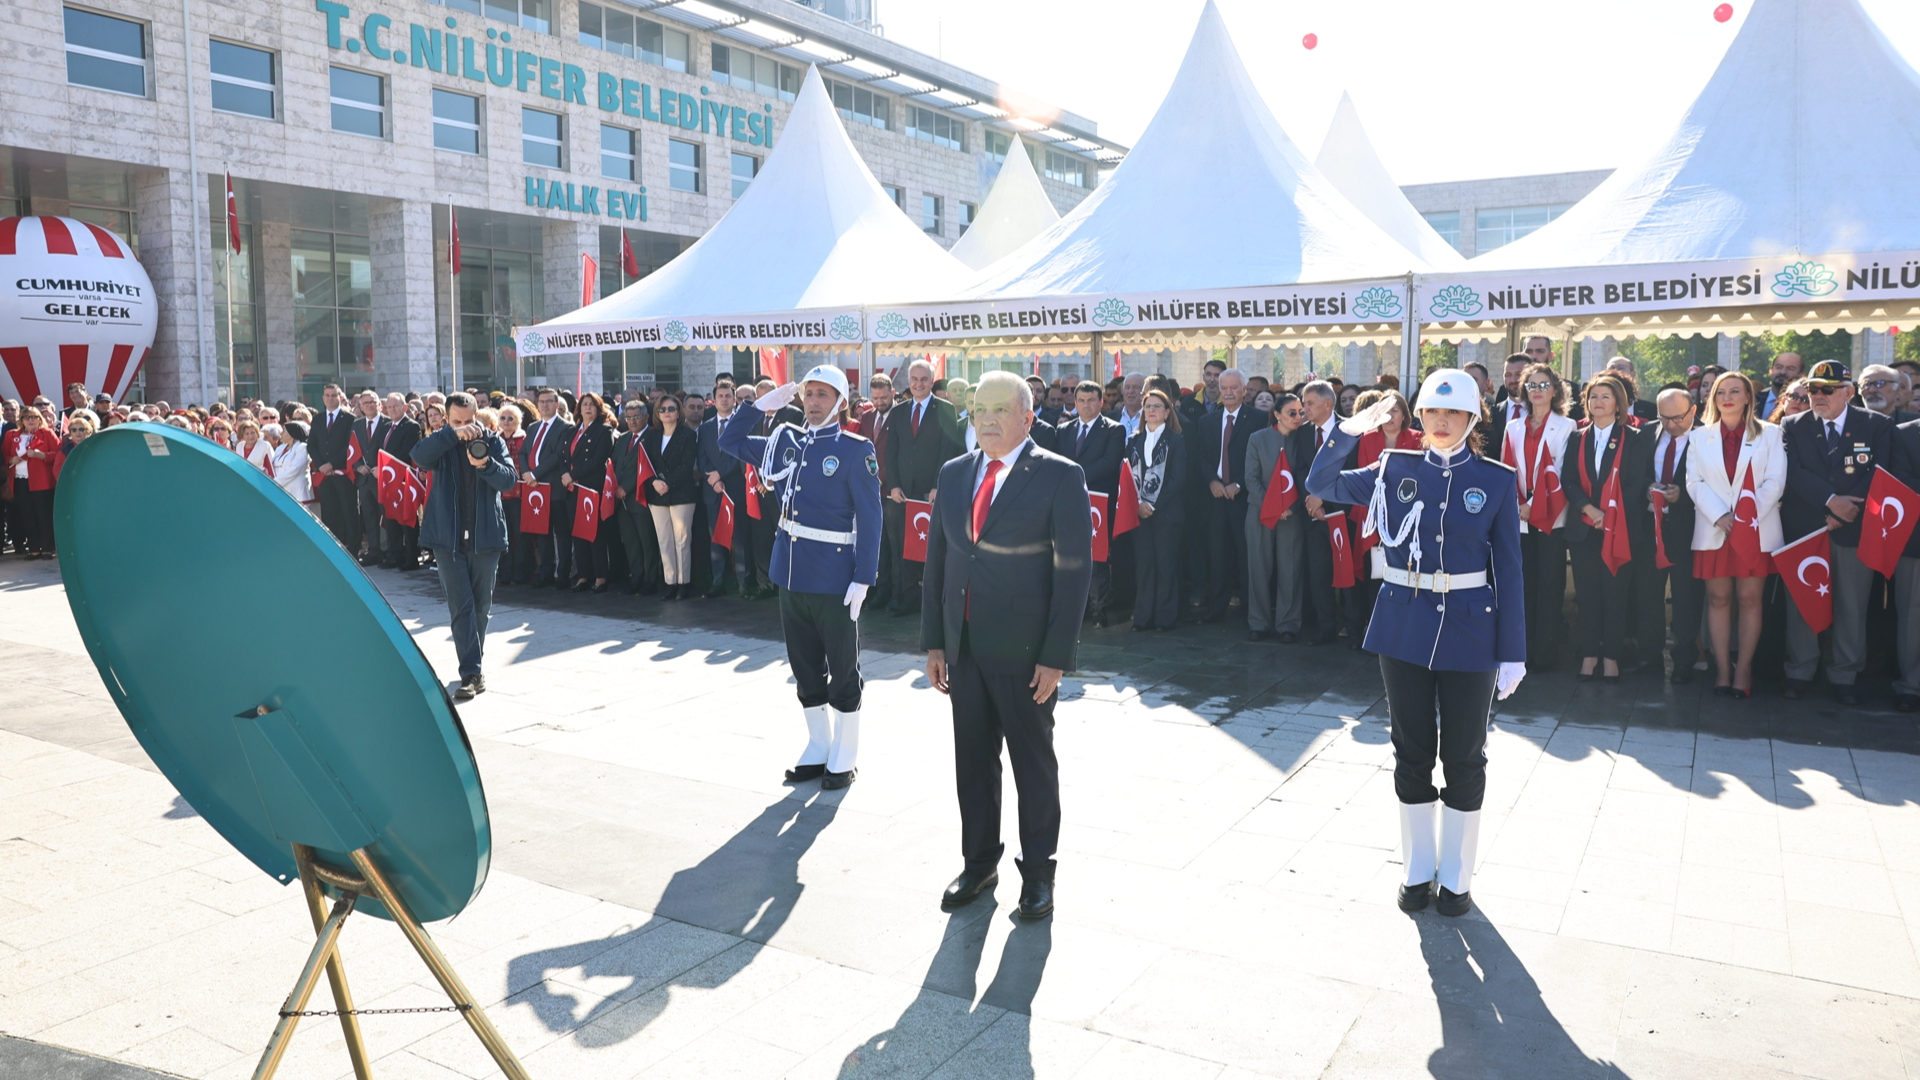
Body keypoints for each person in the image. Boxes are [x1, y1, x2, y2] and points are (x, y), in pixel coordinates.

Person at [1308, 369, 1524, 918]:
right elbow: (1323, 484)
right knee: (1410, 751)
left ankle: (1456, 877)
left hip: (1473, 630)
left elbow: (1510, 571)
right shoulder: (1392, 468)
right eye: (1432, 413)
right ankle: (1418, 868)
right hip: (1403, 626)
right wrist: (1346, 431)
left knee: (1465, 756)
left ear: (1472, 419)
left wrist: (1513, 648)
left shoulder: (1496, 479)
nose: (1442, 422)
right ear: (1420, 418)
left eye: (1453, 414)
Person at [923, 370, 1091, 921]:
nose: (988, 419)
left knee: (1032, 764)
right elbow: (940, 563)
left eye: (1000, 409)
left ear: (1027, 416)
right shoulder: (953, 474)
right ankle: (979, 863)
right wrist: (935, 643)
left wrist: (1055, 656)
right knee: (972, 761)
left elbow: (1073, 574)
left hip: (1025, 656)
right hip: (964, 647)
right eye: (979, 409)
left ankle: (1038, 872)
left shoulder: (1059, 476)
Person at [721, 366, 882, 790]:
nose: (813, 402)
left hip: (834, 577)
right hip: (790, 572)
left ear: (840, 402)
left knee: (843, 669)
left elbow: (871, 517)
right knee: (805, 667)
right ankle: (818, 744)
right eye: (808, 394)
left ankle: (844, 753)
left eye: (823, 395)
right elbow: (729, 441)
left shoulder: (854, 449)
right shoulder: (786, 441)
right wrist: (758, 407)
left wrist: (864, 577)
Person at [1779, 361, 1892, 705]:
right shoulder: (1792, 425)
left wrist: (1846, 510)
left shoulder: (1876, 424)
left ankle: (1844, 675)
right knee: (1802, 602)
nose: (1817, 395)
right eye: (1813, 389)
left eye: (1827, 389)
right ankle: (1800, 670)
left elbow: (1881, 471)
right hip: (1807, 527)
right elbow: (1792, 472)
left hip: (1854, 526)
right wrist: (1830, 503)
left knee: (1851, 604)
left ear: (1848, 392)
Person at [412, 392, 518, 701]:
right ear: (446, 420)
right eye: (457, 422)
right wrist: (450, 435)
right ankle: (471, 672)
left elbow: (509, 481)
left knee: (481, 607)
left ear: (478, 416)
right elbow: (419, 456)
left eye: (469, 421)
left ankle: (474, 664)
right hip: (448, 540)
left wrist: (485, 464)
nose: (465, 428)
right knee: (461, 606)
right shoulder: (441, 445)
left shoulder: (493, 441)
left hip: (486, 539)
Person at [1686, 371, 1785, 698]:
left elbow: (1775, 481)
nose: (1727, 397)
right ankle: (1723, 670)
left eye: (1735, 391)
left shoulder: (1770, 434)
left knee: (1749, 598)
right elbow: (1694, 483)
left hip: (1754, 530)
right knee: (1718, 599)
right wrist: (1721, 516)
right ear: (1712, 399)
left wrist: (1743, 518)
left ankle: (1743, 669)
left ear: (1747, 397)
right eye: (1720, 392)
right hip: (1715, 529)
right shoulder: (1699, 437)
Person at [1564, 373, 1654, 682]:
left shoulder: (1635, 437)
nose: (1597, 402)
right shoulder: (1577, 437)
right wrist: (1589, 510)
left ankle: (1612, 657)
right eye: (1592, 396)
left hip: (1621, 529)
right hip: (1584, 529)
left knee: (1615, 595)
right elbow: (1569, 481)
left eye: (1605, 396)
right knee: (1588, 595)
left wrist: (1609, 514)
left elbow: (1636, 482)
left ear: (1618, 403)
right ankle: (1589, 656)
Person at [1503, 363, 1576, 671]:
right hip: (1519, 517)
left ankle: (1544, 656)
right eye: (1531, 385)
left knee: (1548, 586)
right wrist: (1521, 504)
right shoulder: (1513, 427)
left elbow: (1559, 472)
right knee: (1524, 587)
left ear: (1555, 390)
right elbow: (1508, 470)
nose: (1537, 390)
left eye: (1543, 385)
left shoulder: (1567, 426)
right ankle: (1522, 653)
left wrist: (1534, 503)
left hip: (1551, 517)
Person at [884, 359, 963, 618]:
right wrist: (893, 485)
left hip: (931, 495)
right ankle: (902, 598)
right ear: (909, 382)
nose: (919, 384)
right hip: (901, 495)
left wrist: (937, 485)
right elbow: (890, 452)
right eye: (914, 379)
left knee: (931, 548)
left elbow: (949, 450)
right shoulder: (897, 412)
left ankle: (930, 601)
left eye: (924, 379)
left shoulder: (946, 410)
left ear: (931, 380)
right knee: (900, 548)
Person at [1640, 388, 1707, 684]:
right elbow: (1633, 473)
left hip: (1687, 529)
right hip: (1650, 528)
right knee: (1648, 594)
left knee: (1685, 597)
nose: (1671, 425)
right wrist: (1646, 487)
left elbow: (1715, 483)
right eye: (1664, 418)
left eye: (1678, 418)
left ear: (1693, 411)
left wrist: (1685, 496)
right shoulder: (1645, 434)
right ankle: (1650, 656)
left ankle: (1683, 660)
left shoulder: (1708, 436)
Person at [1057, 382, 1126, 627]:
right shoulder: (1064, 430)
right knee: (1070, 555)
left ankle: (1100, 608)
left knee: (1097, 558)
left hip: (1098, 501)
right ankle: (1078, 607)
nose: (1086, 405)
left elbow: (1110, 462)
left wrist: (1074, 475)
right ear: (1075, 403)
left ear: (1101, 403)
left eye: (1091, 400)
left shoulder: (1114, 430)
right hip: (1068, 501)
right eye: (1082, 401)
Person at [1189, 368, 1254, 624]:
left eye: (1233, 388)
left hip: (1244, 498)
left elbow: (1258, 458)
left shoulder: (1258, 418)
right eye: (1224, 388)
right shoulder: (1207, 421)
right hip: (1215, 500)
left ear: (1244, 391)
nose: (1228, 392)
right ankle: (1216, 609)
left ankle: (1251, 612)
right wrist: (1212, 481)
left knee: (1247, 557)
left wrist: (1240, 482)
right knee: (1217, 556)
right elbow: (1201, 458)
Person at [1244, 392, 1308, 642]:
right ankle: (1258, 623)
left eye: (1301, 412)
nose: (1298, 417)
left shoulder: (1303, 439)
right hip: (1260, 512)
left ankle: (1288, 625)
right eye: (1292, 412)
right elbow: (1251, 477)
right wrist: (1271, 506)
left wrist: (1291, 507)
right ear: (1277, 414)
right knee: (1258, 567)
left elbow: (1305, 476)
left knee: (1290, 568)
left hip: (1292, 513)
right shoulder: (1257, 439)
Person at [1125, 388, 1186, 632]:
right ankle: (1142, 618)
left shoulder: (1176, 440)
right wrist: (1139, 504)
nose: (1151, 410)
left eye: (1157, 406)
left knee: (1165, 564)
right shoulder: (1134, 440)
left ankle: (1164, 618)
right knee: (1145, 564)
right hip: (1139, 513)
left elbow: (1177, 479)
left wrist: (1151, 504)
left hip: (1166, 513)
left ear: (1167, 412)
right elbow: (1128, 476)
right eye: (1148, 406)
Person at [1292, 381, 1345, 646]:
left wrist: (1324, 496)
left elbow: (1351, 469)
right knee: (1319, 573)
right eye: (1304, 402)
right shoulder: (1303, 433)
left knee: (1348, 573)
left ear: (1328, 404)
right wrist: (1311, 500)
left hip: (1342, 513)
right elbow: (1301, 469)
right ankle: (1326, 627)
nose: (1304, 408)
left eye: (1310, 403)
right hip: (1312, 514)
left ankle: (1353, 627)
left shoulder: (1349, 430)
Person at [699, 379, 754, 599]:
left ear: (734, 399)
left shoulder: (742, 425)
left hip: (735, 488)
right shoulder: (706, 427)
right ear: (714, 400)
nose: (724, 399)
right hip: (713, 491)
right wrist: (713, 480)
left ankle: (743, 583)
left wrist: (720, 474)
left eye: (728, 396)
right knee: (716, 538)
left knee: (740, 539)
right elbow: (701, 457)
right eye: (720, 396)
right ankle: (718, 581)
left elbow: (740, 456)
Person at [642, 393, 700, 599]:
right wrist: (654, 482)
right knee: (664, 541)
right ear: (657, 413)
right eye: (662, 409)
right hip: (656, 494)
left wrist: (667, 483)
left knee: (682, 540)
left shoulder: (688, 435)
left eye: (671, 409)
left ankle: (683, 582)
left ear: (679, 412)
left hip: (681, 493)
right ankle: (670, 582)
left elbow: (686, 465)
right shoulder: (651, 436)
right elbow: (645, 465)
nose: (667, 413)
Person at [517, 387, 575, 588]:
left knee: (561, 533)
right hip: (535, 489)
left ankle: (563, 574)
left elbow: (557, 456)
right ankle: (546, 573)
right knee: (542, 533)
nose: (545, 405)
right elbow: (523, 452)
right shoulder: (533, 427)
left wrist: (534, 474)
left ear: (557, 404)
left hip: (555, 488)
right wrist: (526, 474)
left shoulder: (565, 427)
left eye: (549, 401)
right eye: (541, 402)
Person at [1886, 414, 1920, 711]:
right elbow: (1901, 479)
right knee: (1912, 616)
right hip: (1915, 539)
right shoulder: (1904, 434)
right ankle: (1911, 685)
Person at [566, 393, 616, 593]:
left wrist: (572, 474)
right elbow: (564, 454)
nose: (588, 408)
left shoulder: (604, 431)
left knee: (595, 535)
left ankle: (601, 577)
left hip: (591, 487)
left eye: (592, 405)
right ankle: (583, 576)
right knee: (578, 533)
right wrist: (567, 475)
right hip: (572, 488)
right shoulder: (573, 430)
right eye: (584, 404)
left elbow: (598, 459)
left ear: (599, 409)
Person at [611, 398, 662, 595]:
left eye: (637, 417)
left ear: (646, 417)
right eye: (628, 417)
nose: (632, 421)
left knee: (647, 540)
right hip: (621, 500)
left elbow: (648, 468)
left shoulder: (653, 437)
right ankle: (636, 577)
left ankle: (650, 580)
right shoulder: (623, 438)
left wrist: (626, 487)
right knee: (631, 541)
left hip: (641, 497)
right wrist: (615, 486)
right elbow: (615, 464)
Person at [856, 373, 895, 609]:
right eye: (876, 397)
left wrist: (884, 479)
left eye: (883, 397)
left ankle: (890, 593)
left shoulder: (901, 415)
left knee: (891, 547)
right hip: (870, 494)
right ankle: (876, 591)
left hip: (892, 492)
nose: (879, 401)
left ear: (892, 392)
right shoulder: (868, 418)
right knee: (874, 544)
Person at [376, 394, 424, 572]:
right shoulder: (387, 426)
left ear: (404, 407)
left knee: (407, 520)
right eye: (389, 407)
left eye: (395, 406)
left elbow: (407, 452)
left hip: (403, 479)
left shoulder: (411, 426)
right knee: (391, 519)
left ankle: (412, 557)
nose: (392, 410)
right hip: (388, 480)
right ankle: (395, 555)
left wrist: (385, 467)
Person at [309, 384, 359, 548]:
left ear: (340, 397)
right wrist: (322, 465)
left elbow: (349, 446)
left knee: (348, 510)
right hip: (324, 474)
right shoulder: (317, 419)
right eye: (327, 395)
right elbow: (312, 445)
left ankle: (352, 547)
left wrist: (332, 464)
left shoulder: (350, 418)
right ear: (323, 398)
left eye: (334, 395)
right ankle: (333, 547)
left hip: (343, 473)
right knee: (329, 512)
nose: (330, 398)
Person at [5, 409, 59, 558]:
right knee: (28, 515)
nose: (30, 420)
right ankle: (34, 549)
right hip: (20, 480)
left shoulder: (47, 434)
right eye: (26, 417)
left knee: (44, 515)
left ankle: (47, 549)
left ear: (39, 419)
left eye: (34, 417)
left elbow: (58, 454)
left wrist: (42, 455)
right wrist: (10, 459)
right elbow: (4, 455)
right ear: (21, 420)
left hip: (42, 482)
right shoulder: (11, 435)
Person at [267, 421, 313, 513]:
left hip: (298, 494)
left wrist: (275, 482)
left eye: (284, 431)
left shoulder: (302, 447)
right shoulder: (280, 448)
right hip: (281, 492)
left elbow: (295, 469)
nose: (281, 433)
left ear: (292, 433)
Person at [1757, 351, 1805, 419]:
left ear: (1801, 375)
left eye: (1791, 368)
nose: (1783, 372)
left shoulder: (1805, 404)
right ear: (1770, 371)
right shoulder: (1752, 400)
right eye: (1778, 367)